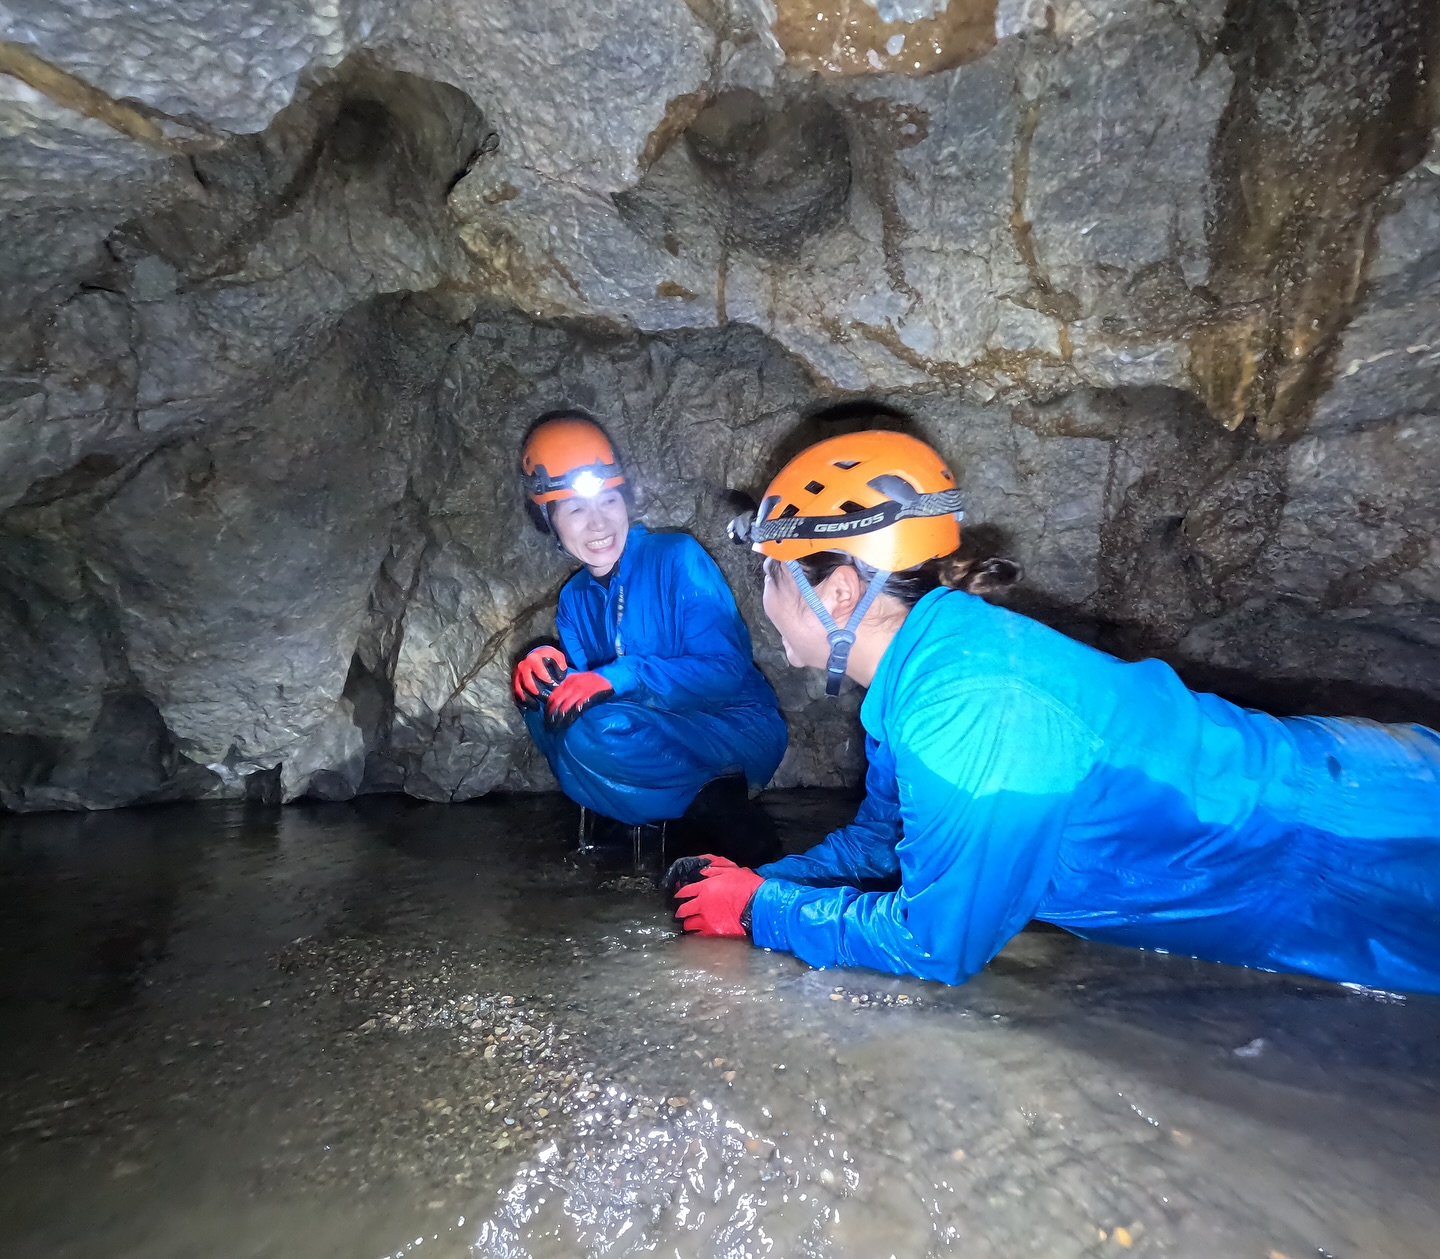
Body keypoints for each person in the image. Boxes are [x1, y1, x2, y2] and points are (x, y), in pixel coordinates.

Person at [667, 429, 1440, 995]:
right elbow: (885, 834)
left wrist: (765, 912)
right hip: (1338, 812)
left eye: (772, 573)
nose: (762, 595)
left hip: (1365, 841)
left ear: (837, 591)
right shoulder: (928, 668)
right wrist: (764, 880)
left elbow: (938, 942)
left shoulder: (971, 706)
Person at [511, 412, 787, 858]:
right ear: (550, 522)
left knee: (600, 729)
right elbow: (583, 702)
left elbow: (725, 672)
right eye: (577, 510)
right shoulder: (574, 600)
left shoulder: (677, 557)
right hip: (645, 734)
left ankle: (697, 808)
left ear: (626, 503)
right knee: (546, 706)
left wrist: (623, 676)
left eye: (609, 502)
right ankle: (651, 809)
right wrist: (545, 671)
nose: (598, 524)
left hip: (733, 728)